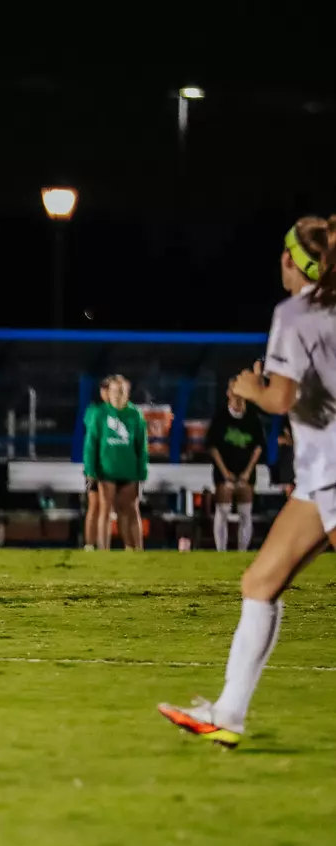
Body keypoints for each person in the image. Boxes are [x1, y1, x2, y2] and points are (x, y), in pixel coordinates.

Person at [159, 215, 336, 748]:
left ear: (289, 259)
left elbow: (279, 399)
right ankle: (228, 713)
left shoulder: (295, 313)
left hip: (330, 472)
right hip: (317, 482)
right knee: (259, 583)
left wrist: (249, 386)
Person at [83, 374, 147, 551]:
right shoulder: (99, 413)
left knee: (131, 511)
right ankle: (103, 550)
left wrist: (142, 473)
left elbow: (141, 446)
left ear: (128, 392)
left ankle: (136, 549)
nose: (118, 395)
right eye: (115, 391)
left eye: (122, 391)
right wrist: (91, 470)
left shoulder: (135, 415)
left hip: (129, 471)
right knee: (103, 509)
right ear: (108, 393)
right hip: (106, 471)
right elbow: (91, 444)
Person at [207, 387, 266, 552]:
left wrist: (247, 472)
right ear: (228, 394)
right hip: (224, 471)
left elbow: (258, 447)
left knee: (245, 512)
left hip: (245, 472)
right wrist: (225, 473)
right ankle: (221, 551)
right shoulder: (220, 417)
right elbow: (212, 447)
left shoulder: (253, 418)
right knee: (222, 510)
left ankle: (242, 551)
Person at [80, 378, 111, 549]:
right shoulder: (95, 411)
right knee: (95, 505)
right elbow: (91, 443)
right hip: (96, 466)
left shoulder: (118, 411)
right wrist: (90, 469)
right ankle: (90, 544)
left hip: (111, 467)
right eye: (105, 390)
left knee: (107, 508)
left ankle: (103, 545)